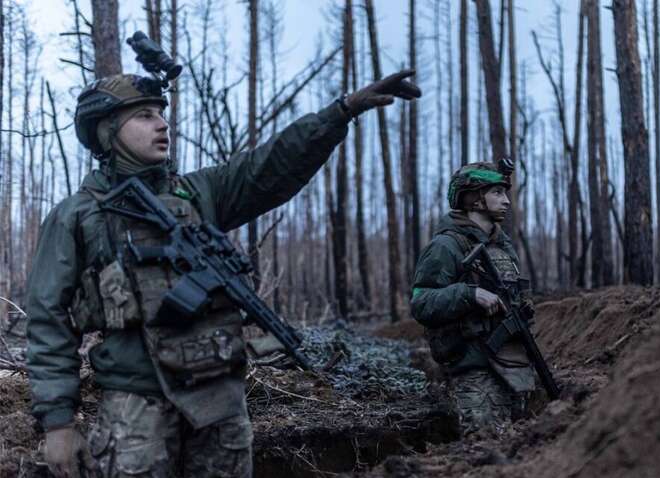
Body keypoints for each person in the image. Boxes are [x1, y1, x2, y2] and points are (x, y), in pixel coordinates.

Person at [27, 65, 420, 477]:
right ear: (107, 131)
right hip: (135, 410)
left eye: (162, 114)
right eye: (144, 116)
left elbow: (270, 165)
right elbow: (48, 319)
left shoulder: (198, 194)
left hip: (220, 402)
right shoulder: (78, 215)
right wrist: (58, 423)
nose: (163, 124)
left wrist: (340, 112)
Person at [410, 162, 537, 435]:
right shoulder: (446, 246)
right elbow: (421, 303)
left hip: (515, 366)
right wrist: (469, 294)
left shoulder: (503, 247)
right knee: (485, 447)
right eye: (497, 193)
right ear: (474, 199)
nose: (505, 201)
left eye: (505, 193)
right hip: (475, 371)